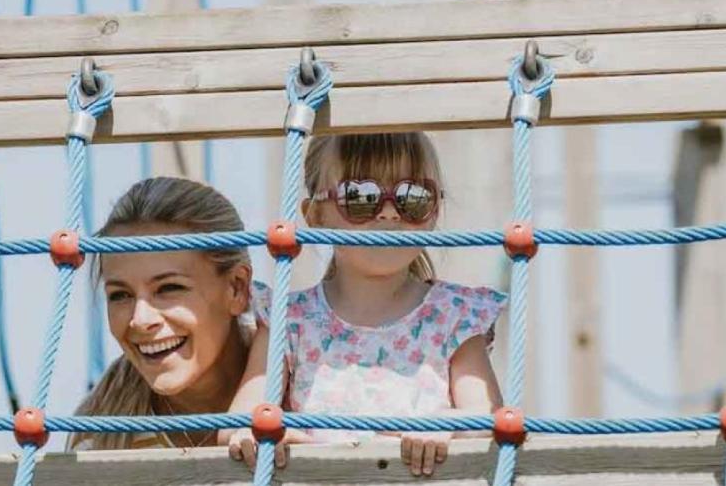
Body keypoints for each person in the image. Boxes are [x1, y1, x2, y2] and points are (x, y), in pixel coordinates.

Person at [222, 133, 507, 477]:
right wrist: (267, 433)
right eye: (360, 197)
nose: (389, 214)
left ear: (435, 211)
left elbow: (489, 418)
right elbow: (237, 423)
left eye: (412, 197)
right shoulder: (290, 320)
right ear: (315, 215)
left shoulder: (454, 314)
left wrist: (445, 425)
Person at [70, 177, 254, 450]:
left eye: (169, 288)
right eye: (120, 295)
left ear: (237, 289)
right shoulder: (97, 435)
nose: (141, 320)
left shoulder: (309, 387)